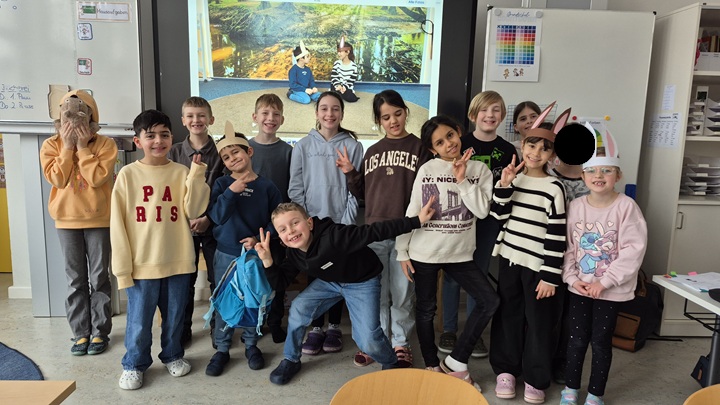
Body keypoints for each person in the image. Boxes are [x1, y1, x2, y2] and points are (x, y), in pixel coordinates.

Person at [256, 198, 436, 385]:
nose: (291, 231)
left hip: (362, 281)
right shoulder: (294, 253)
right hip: (330, 282)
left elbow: (375, 231)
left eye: (295, 223)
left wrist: (416, 221)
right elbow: (280, 283)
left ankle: (391, 363)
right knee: (298, 308)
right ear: (280, 237)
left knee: (367, 339)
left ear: (309, 223)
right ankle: (291, 359)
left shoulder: (335, 236)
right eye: (283, 229)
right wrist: (267, 261)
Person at [395, 115, 499, 387]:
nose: (448, 144)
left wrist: (462, 180)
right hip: (424, 252)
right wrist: (402, 250)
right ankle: (432, 365)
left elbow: (482, 211)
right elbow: (413, 209)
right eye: (439, 142)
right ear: (433, 149)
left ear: (458, 132)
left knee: (489, 300)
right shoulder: (427, 169)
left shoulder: (479, 170)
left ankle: (456, 361)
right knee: (426, 309)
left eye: (450, 136)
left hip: (460, 254)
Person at [111, 109, 210, 390]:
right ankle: (134, 364)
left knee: (175, 316)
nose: (158, 141)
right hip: (142, 264)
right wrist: (123, 268)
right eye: (150, 135)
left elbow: (195, 209)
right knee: (139, 321)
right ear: (137, 141)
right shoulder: (128, 175)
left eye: (164, 135)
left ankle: (173, 355)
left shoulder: (181, 172)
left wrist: (197, 175)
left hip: (178, 261)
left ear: (172, 137)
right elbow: (117, 224)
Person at [336, 89, 433, 368]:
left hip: (407, 234)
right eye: (386, 117)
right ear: (379, 121)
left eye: (397, 114)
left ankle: (400, 343)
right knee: (375, 293)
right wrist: (350, 173)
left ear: (406, 112)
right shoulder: (373, 151)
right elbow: (364, 193)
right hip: (375, 233)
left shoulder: (420, 149)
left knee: (402, 293)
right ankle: (375, 342)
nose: (393, 121)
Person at [560, 125, 647, 405]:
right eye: (593, 171)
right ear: (583, 175)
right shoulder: (576, 207)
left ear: (618, 176)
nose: (599, 176)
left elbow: (633, 250)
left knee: (600, 342)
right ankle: (570, 389)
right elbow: (569, 247)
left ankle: (595, 394)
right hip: (579, 288)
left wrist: (605, 282)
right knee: (575, 340)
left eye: (607, 171)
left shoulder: (626, 207)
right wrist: (572, 279)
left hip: (610, 291)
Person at [489, 103, 570, 404]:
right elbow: (498, 216)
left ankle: (536, 378)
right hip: (510, 260)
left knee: (539, 323)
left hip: (538, 267)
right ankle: (506, 370)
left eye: (544, 149)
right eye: (531, 146)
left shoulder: (554, 187)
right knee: (508, 315)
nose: (536, 153)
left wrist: (550, 276)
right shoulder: (513, 178)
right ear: (522, 145)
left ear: (552, 155)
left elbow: (557, 234)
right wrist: (504, 185)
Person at [440, 90, 518, 358]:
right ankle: (449, 330)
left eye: (496, 110)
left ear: (502, 115)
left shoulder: (508, 151)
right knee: (452, 277)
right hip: (457, 220)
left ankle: (473, 334)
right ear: (473, 115)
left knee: (479, 277)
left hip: (488, 223)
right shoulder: (458, 144)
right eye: (484, 109)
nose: (490, 115)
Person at [40, 89, 117, 356]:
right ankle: (80, 332)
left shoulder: (105, 144)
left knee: (99, 277)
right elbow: (57, 179)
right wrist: (68, 147)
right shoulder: (51, 145)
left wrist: (83, 148)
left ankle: (100, 332)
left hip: (99, 219)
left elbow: (97, 178)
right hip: (65, 220)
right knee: (75, 279)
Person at [288, 91, 363, 356]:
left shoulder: (353, 146)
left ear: (342, 113)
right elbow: (296, 188)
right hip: (311, 226)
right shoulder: (302, 146)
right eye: (324, 108)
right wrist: (306, 224)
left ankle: (334, 326)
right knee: (316, 275)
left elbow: (355, 189)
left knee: (337, 273)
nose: (329, 114)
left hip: (340, 224)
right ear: (316, 112)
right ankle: (316, 327)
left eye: (335, 109)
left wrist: (345, 223)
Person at [204, 127, 283, 377]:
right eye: (226, 157)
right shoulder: (222, 184)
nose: (232, 159)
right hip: (226, 254)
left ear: (249, 151)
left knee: (254, 299)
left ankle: (251, 344)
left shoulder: (267, 187)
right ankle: (222, 348)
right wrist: (231, 192)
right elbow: (217, 216)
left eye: (236, 153)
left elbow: (276, 221)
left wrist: (258, 239)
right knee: (224, 299)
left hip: (254, 254)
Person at [168, 96, 225, 347]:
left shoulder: (222, 152)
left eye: (201, 115)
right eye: (190, 116)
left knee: (217, 279)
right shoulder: (173, 153)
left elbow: (224, 192)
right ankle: (182, 329)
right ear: (183, 120)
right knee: (184, 280)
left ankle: (218, 328)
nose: (196, 120)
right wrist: (188, 218)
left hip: (214, 227)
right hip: (182, 229)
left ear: (211, 119)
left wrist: (208, 218)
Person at [248, 93, 293, 343]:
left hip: (278, 230)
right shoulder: (246, 150)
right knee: (252, 276)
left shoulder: (288, 151)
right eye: (265, 113)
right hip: (250, 226)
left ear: (283, 119)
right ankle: (253, 323)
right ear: (255, 117)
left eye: (276, 114)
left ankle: (275, 321)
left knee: (275, 276)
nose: (270, 118)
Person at [330, 36, 359, 103]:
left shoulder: (353, 67)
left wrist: (344, 87)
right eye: (338, 52)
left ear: (347, 52)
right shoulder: (337, 63)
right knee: (334, 94)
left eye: (340, 52)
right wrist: (338, 85)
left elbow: (351, 80)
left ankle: (341, 94)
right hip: (337, 85)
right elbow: (334, 77)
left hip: (346, 87)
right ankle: (338, 94)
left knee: (352, 98)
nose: (338, 54)